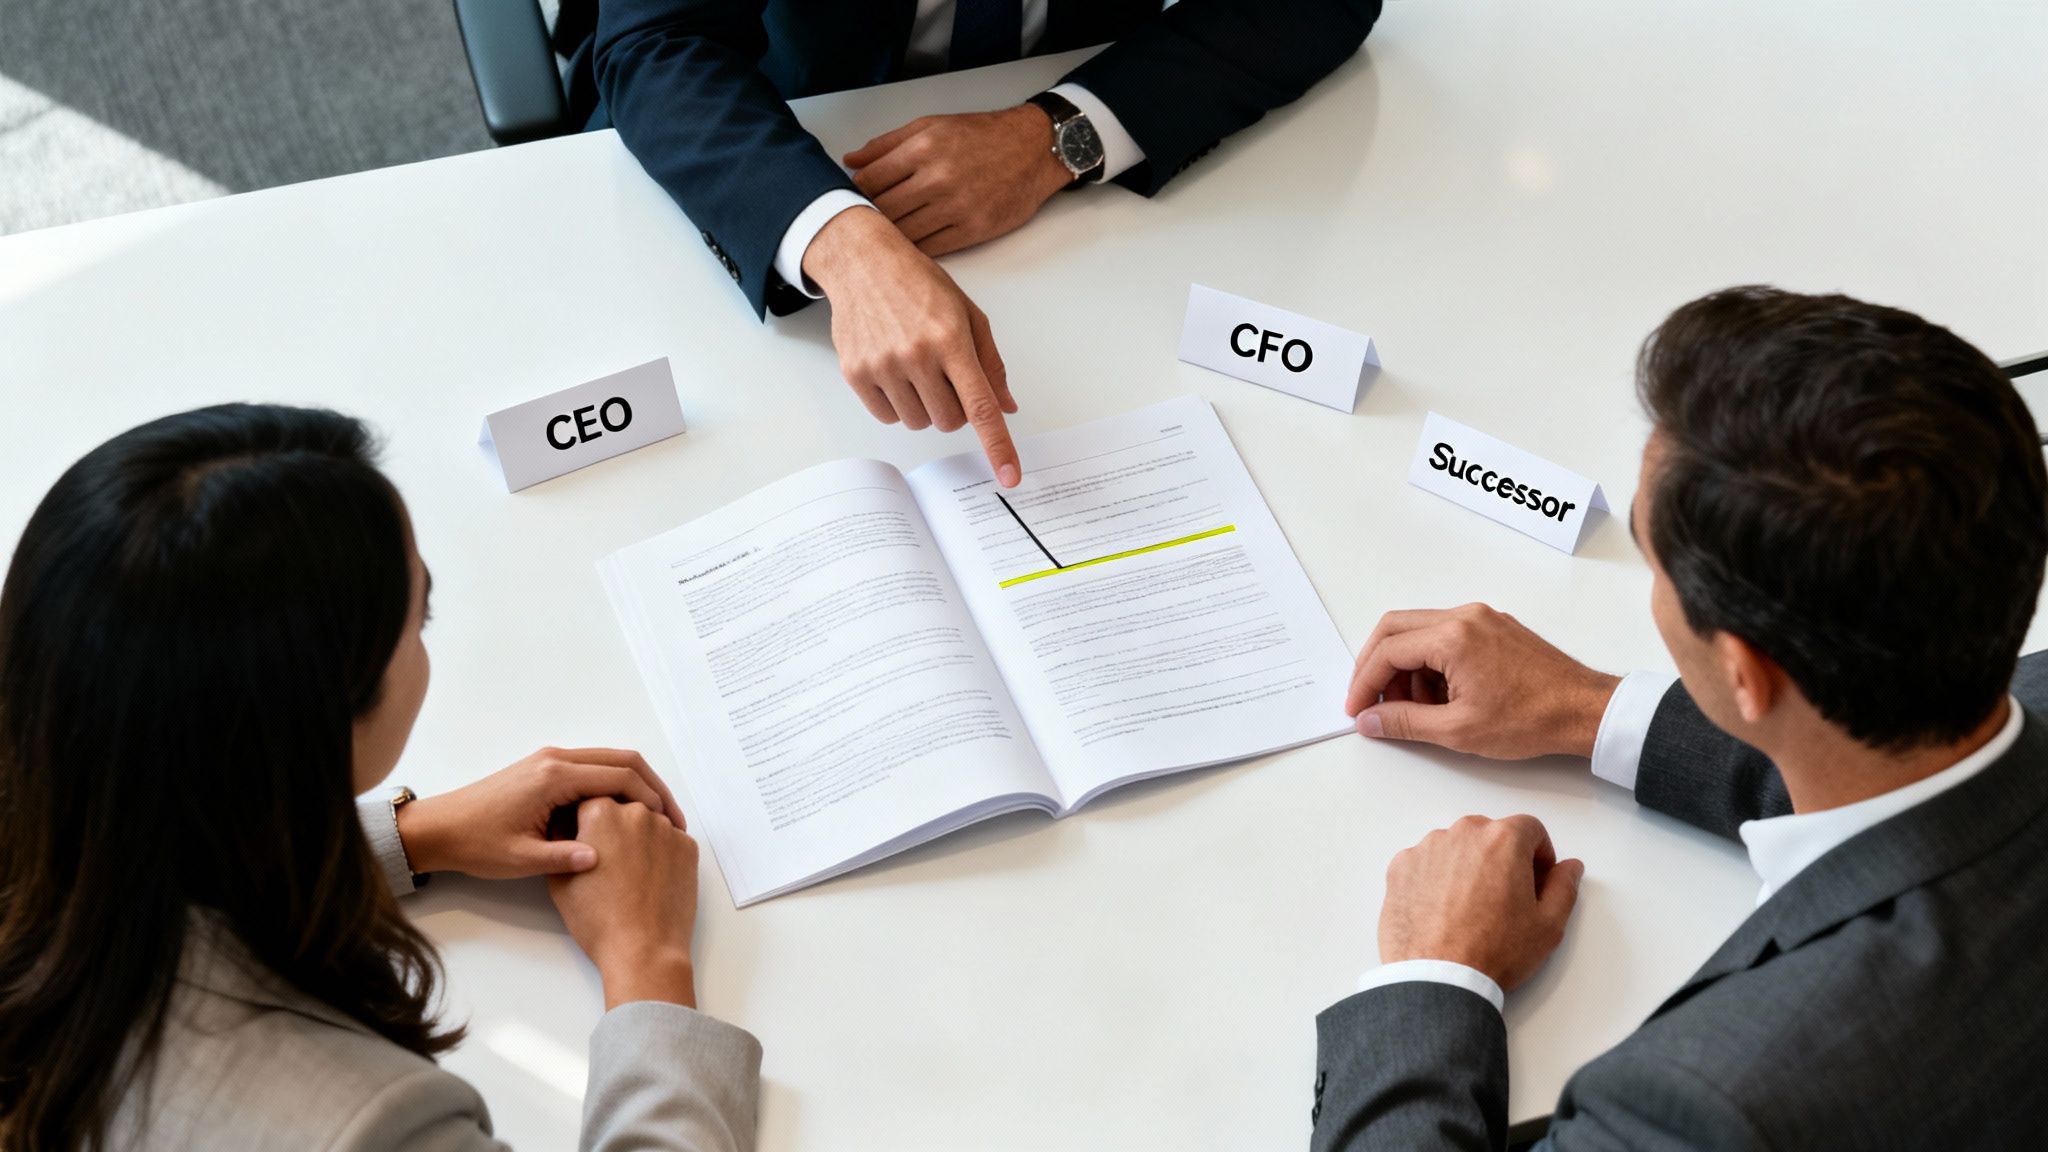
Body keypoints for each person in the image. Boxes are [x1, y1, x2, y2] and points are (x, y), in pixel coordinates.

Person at [1310, 287, 2048, 1149]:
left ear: (1745, 673)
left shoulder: (1709, 1105)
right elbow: (1887, 777)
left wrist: (1432, 975)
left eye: (1653, 561)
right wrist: (1588, 708)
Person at [0, 405, 758, 1151]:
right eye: (419, 615)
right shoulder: (366, 1125)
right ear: (321, 724)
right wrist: (646, 963)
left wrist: (410, 833)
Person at [583, 0, 1384, 486]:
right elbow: (658, 43)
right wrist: (838, 239)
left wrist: (1059, 135)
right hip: (767, 145)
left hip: (1105, 191)